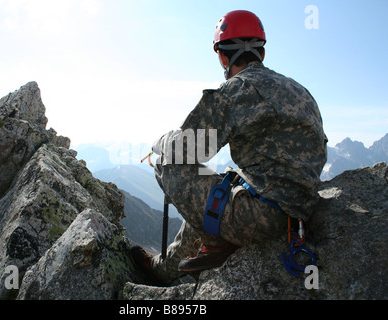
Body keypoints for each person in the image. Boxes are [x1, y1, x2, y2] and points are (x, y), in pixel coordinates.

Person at [130, 10, 327, 285]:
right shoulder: (299, 91)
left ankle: (217, 241)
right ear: (261, 53)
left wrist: (160, 142)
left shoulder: (235, 91)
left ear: (223, 56)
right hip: (299, 213)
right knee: (216, 193)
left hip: (262, 217)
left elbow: (187, 149)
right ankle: (164, 268)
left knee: (169, 163)